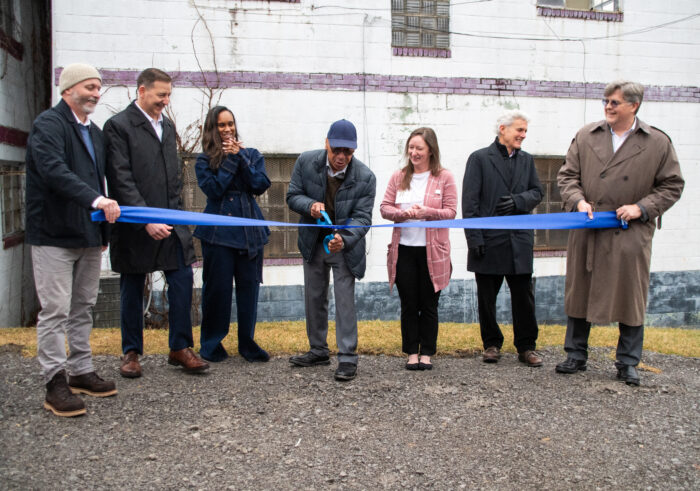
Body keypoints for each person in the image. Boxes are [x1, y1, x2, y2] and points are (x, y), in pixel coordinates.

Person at [556, 80, 684, 386]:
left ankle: (627, 362)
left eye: (614, 102)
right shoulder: (587, 135)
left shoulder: (657, 142)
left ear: (633, 105)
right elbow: (567, 175)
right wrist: (578, 200)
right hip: (588, 228)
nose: (608, 107)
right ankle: (576, 354)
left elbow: (672, 185)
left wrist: (642, 207)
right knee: (579, 292)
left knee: (630, 296)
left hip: (629, 232)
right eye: (605, 102)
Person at [25, 63, 121, 417]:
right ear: (68, 90)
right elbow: (54, 172)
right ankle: (54, 381)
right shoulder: (48, 126)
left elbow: (102, 183)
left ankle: (81, 371)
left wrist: (102, 232)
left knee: (83, 306)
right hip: (53, 236)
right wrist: (97, 202)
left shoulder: (94, 133)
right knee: (55, 310)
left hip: (88, 235)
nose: (96, 93)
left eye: (98, 88)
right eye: (89, 87)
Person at [104, 68, 209, 378]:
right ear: (141, 91)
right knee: (133, 287)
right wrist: (146, 220)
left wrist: (175, 217)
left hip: (170, 220)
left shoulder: (167, 125)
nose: (165, 101)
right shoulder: (118, 127)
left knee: (181, 278)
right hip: (135, 223)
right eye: (160, 95)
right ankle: (132, 352)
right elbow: (120, 179)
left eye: (168, 95)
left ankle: (179, 347)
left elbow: (172, 177)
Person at [286, 119, 376, 381]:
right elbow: (292, 196)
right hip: (314, 241)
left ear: (354, 151)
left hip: (343, 246)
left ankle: (347, 357)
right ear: (326, 143)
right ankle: (318, 350)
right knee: (314, 297)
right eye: (336, 149)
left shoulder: (366, 177)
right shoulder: (305, 162)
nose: (341, 156)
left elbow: (363, 218)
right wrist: (310, 206)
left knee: (345, 301)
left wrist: (344, 240)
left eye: (347, 152)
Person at [462, 110, 544, 367]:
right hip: (488, 241)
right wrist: (474, 239)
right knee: (487, 298)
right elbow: (470, 203)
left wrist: (518, 202)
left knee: (524, 297)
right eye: (519, 130)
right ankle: (491, 344)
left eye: (525, 131)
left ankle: (527, 346)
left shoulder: (527, 160)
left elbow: (537, 192)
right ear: (502, 129)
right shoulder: (479, 159)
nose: (523, 135)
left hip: (519, 242)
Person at [193, 106, 271, 363]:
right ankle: (211, 343)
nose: (227, 129)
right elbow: (214, 191)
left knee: (249, 289)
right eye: (221, 125)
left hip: (250, 232)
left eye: (230, 124)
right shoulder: (204, 160)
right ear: (212, 129)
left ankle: (247, 343)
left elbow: (260, 184)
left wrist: (241, 158)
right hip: (218, 234)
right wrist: (229, 161)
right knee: (218, 290)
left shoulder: (251, 155)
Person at [380, 128, 457, 370]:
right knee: (409, 304)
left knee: (429, 304)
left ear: (431, 150)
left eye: (419, 148)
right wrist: (401, 214)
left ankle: (428, 353)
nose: (414, 152)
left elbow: (451, 212)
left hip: (432, 252)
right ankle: (412, 352)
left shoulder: (445, 177)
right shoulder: (398, 176)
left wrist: (427, 212)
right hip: (404, 250)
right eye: (411, 148)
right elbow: (384, 207)